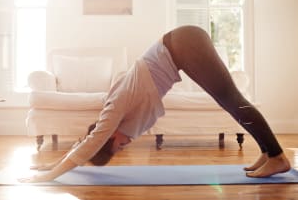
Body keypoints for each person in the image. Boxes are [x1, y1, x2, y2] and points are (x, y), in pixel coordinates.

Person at [19, 25, 290, 183]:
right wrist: (50, 165)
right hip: (181, 45)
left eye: (118, 145)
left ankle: (277, 156)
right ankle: (268, 153)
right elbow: (87, 146)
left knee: (232, 100)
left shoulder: (114, 109)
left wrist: (48, 176)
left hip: (182, 45)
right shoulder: (123, 113)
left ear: (109, 134)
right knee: (229, 101)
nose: (126, 143)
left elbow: (89, 143)